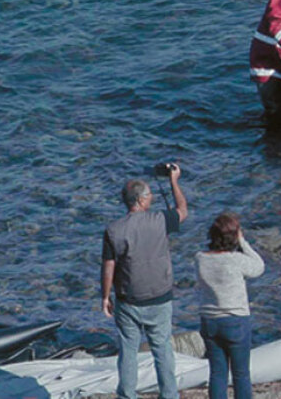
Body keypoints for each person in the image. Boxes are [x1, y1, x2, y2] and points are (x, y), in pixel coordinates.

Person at [101, 166, 188, 399]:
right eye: (150, 195)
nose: (152, 198)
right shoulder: (160, 220)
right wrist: (174, 181)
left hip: (128, 299)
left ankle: (128, 395)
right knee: (162, 348)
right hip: (159, 296)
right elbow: (182, 210)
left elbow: (108, 265)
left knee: (128, 351)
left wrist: (105, 296)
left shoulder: (114, 230)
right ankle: (169, 394)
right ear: (140, 200)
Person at [196, 213, 264, 399]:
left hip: (210, 321)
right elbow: (259, 267)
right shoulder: (236, 260)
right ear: (234, 236)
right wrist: (243, 242)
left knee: (217, 374)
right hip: (235, 320)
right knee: (241, 374)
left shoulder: (201, 259)